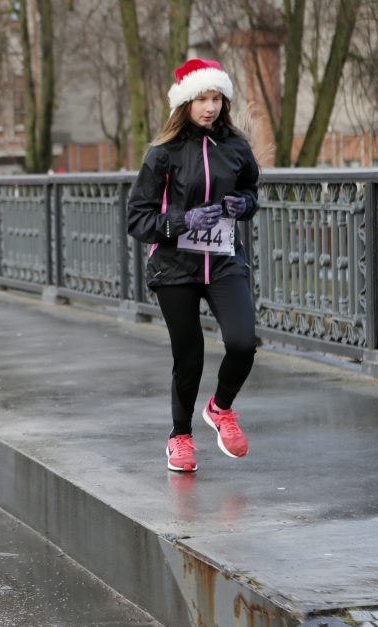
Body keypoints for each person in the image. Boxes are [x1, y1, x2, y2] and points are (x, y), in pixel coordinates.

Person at [126, 58, 260, 473]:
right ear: (185, 102)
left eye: (217, 98)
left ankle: (220, 408)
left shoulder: (236, 147)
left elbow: (251, 189)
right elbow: (138, 219)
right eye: (202, 98)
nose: (211, 107)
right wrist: (182, 220)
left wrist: (244, 204)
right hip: (175, 267)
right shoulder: (162, 153)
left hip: (223, 260)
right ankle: (179, 437)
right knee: (190, 356)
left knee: (242, 341)